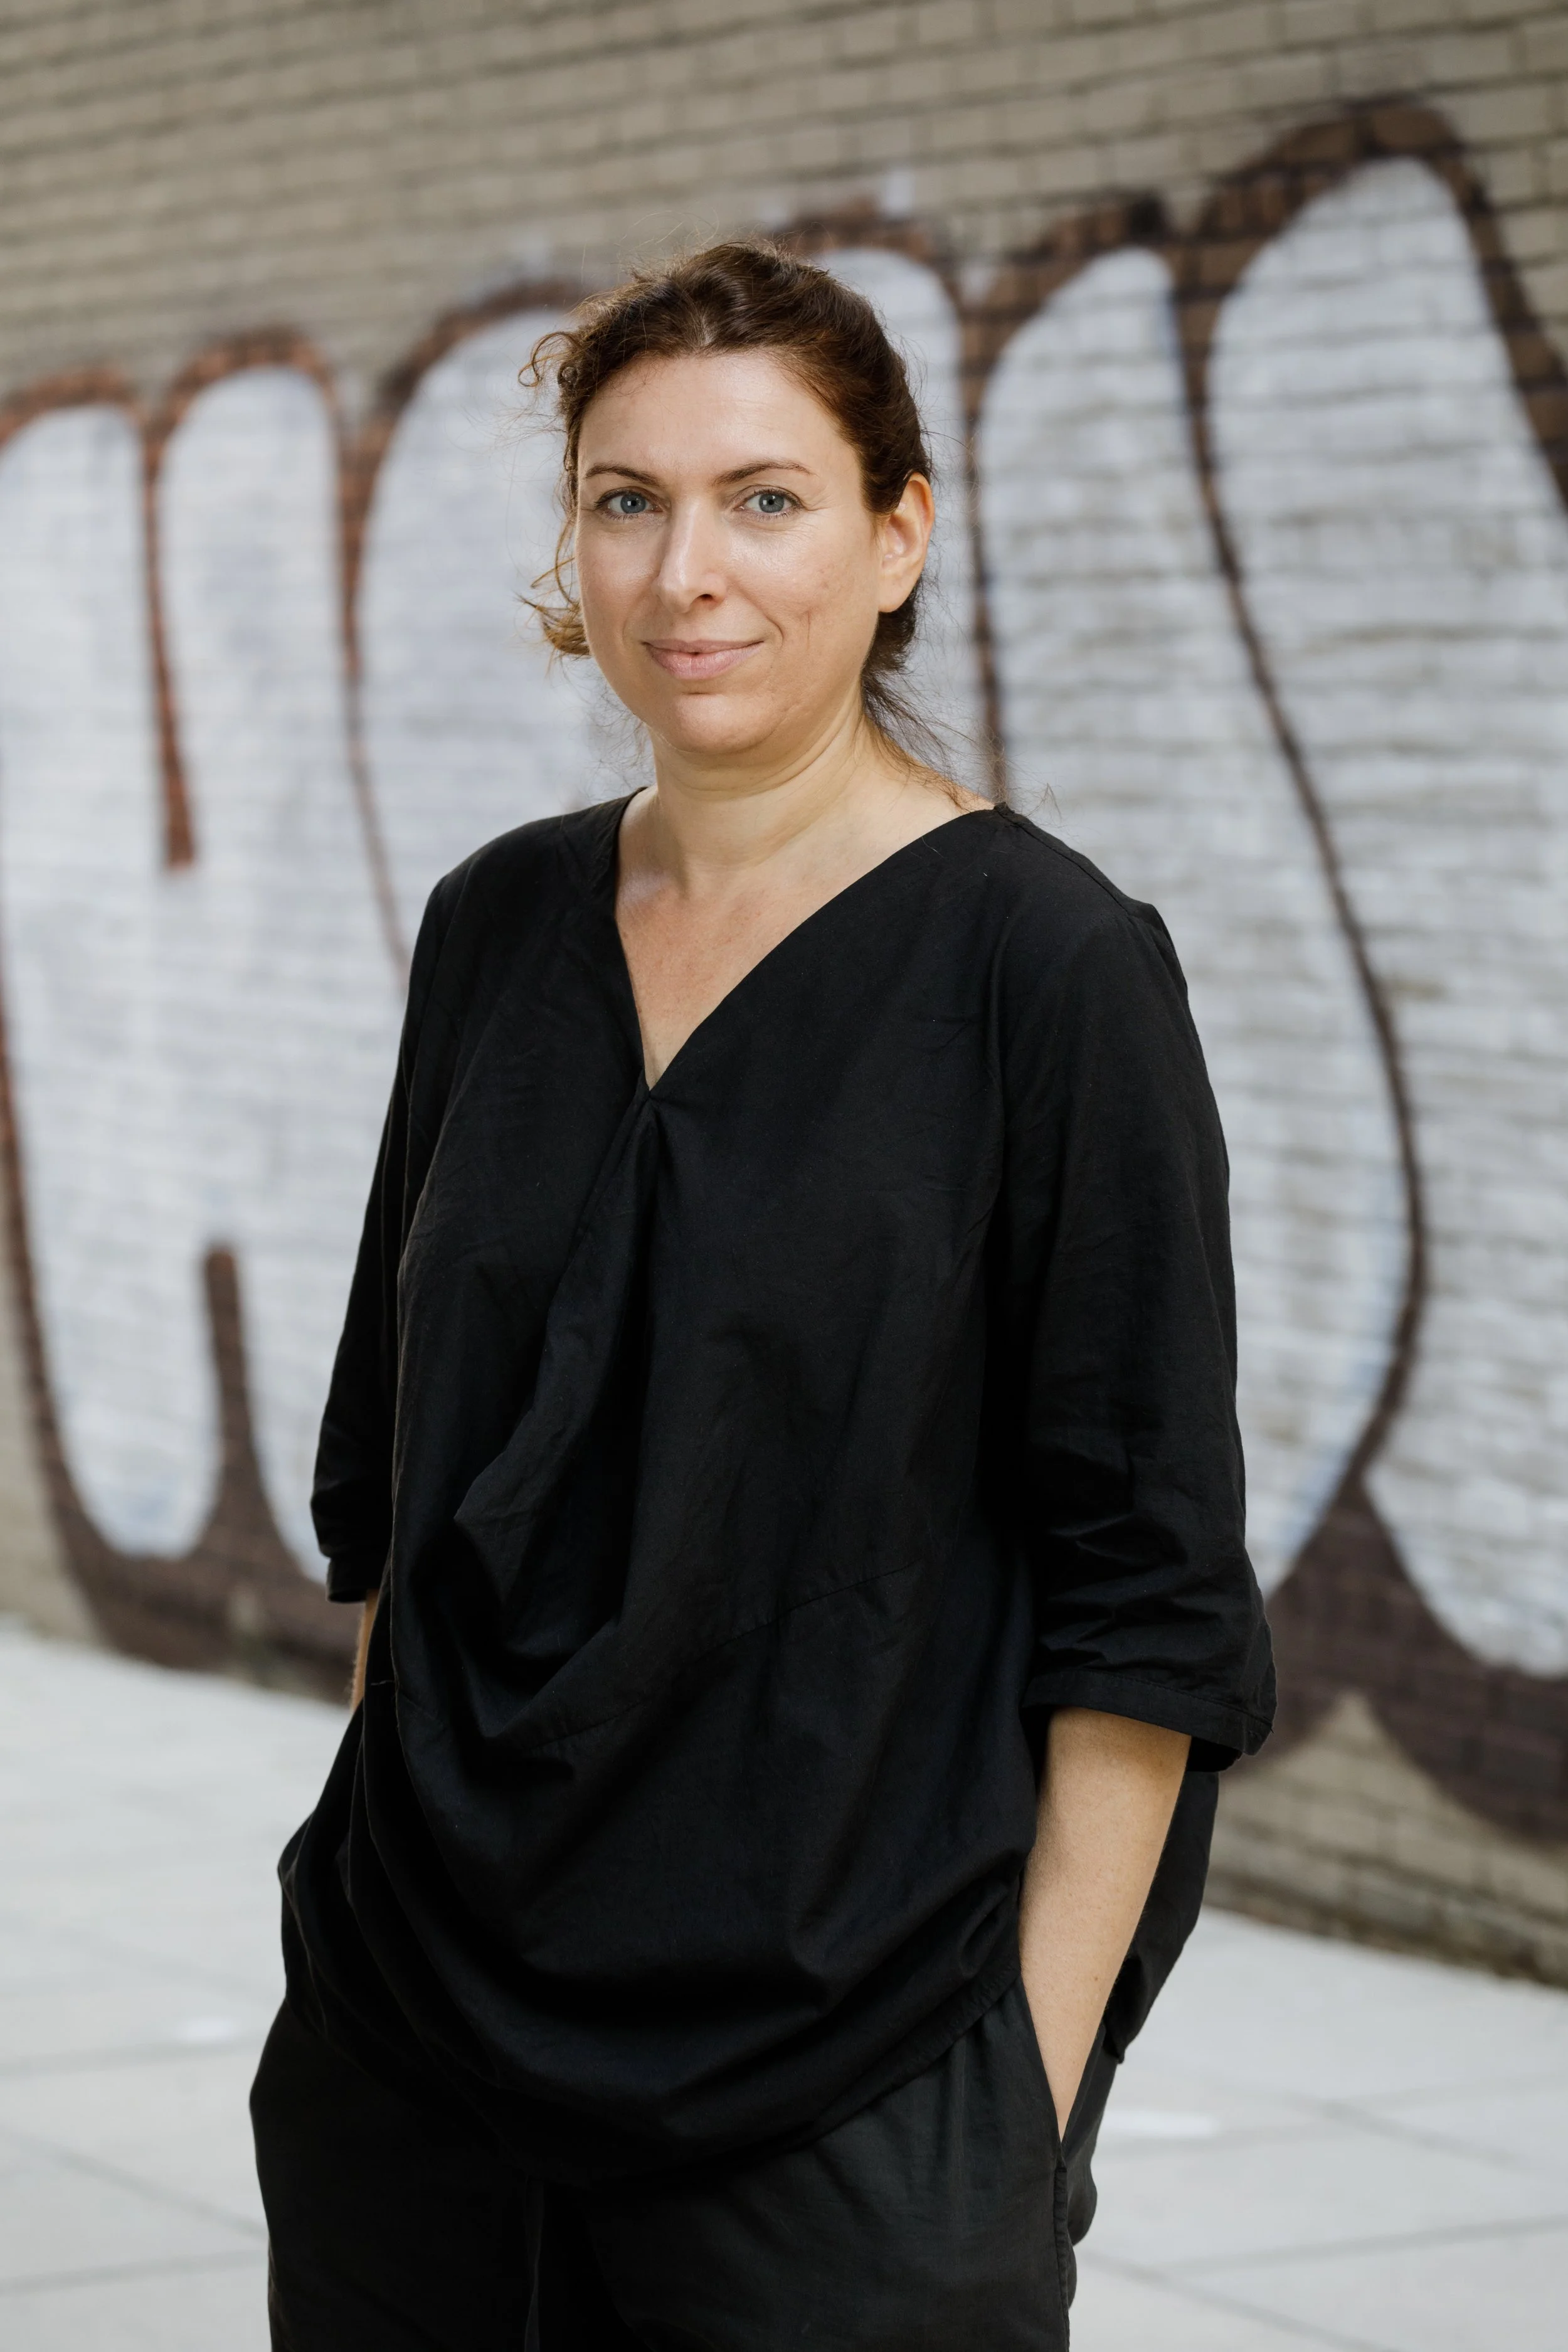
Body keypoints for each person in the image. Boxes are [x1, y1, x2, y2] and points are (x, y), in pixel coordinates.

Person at [251, 241, 1274, 2350]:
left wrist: (1008, 2121)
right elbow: (408, 1490)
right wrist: (354, 1908)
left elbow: (1145, 1599)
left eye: (766, 498)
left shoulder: (1045, 968)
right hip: (413, 2062)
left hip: (842, 2089)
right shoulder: (496, 921)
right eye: (625, 499)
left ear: (899, 536)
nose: (684, 570)